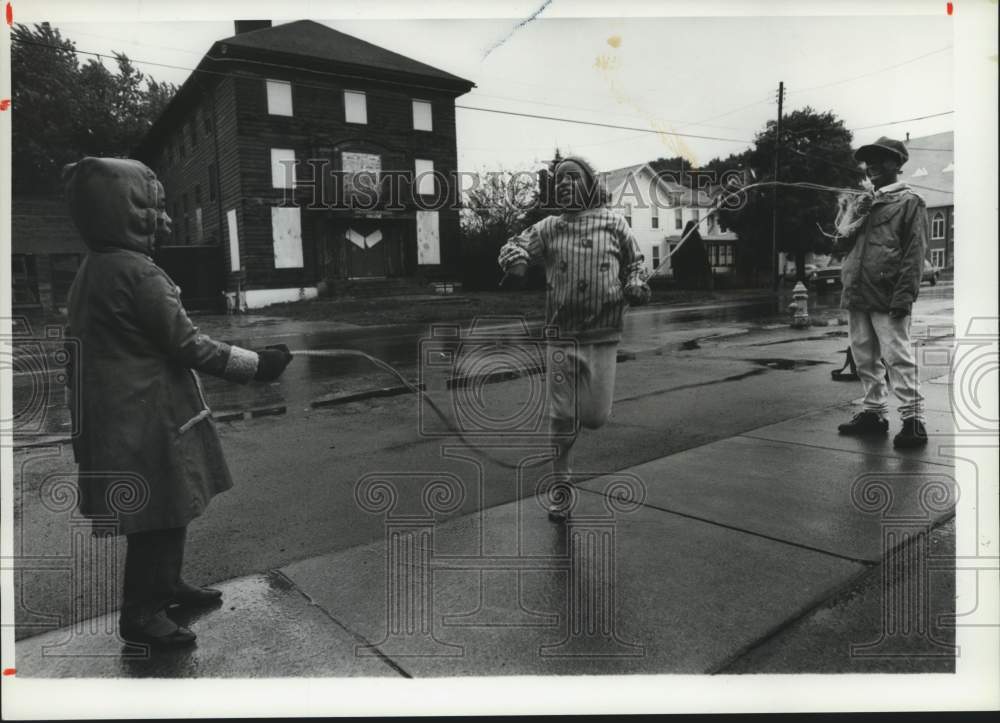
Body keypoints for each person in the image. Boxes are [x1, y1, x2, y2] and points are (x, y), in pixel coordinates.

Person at [63, 157, 294, 648]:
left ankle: (167, 585)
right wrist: (258, 365)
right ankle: (141, 614)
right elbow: (188, 344)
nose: (167, 220)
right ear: (129, 213)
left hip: (121, 414)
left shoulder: (96, 268)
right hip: (145, 417)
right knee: (155, 516)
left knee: (167, 506)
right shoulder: (139, 274)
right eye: (157, 208)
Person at [498, 156, 651, 521]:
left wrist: (635, 284)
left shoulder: (614, 224)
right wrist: (515, 261)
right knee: (560, 416)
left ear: (589, 183)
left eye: (572, 177)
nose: (564, 183)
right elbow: (513, 244)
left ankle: (574, 421)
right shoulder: (550, 227)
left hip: (602, 335)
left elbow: (637, 264)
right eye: (559, 179)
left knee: (595, 417)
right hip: (560, 337)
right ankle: (561, 488)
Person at [833, 137, 928, 448]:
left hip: (887, 295)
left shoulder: (909, 202)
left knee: (896, 357)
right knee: (863, 356)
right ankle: (874, 413)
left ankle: (913, 420)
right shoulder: (864, 201)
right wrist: (850, 214)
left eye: (881, 159)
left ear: (897, 165)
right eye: (868, 159)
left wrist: (904, 297)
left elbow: (914, 254)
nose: (872, 164)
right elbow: (840, 246)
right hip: (857, 292)